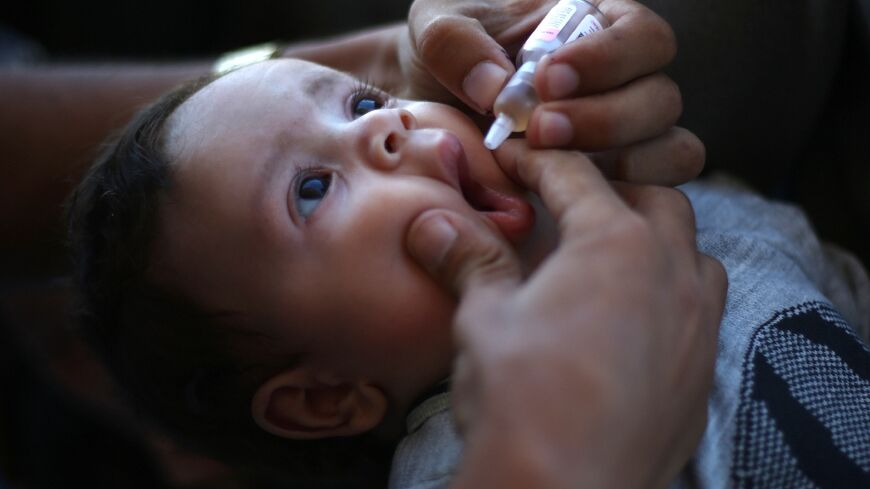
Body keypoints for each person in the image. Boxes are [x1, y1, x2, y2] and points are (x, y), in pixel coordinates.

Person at [66, 48, 870, 489]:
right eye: (311, 190)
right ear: (324, 395)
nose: (388, 132)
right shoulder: (462, 460)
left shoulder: (658, 195)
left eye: (363, 103)